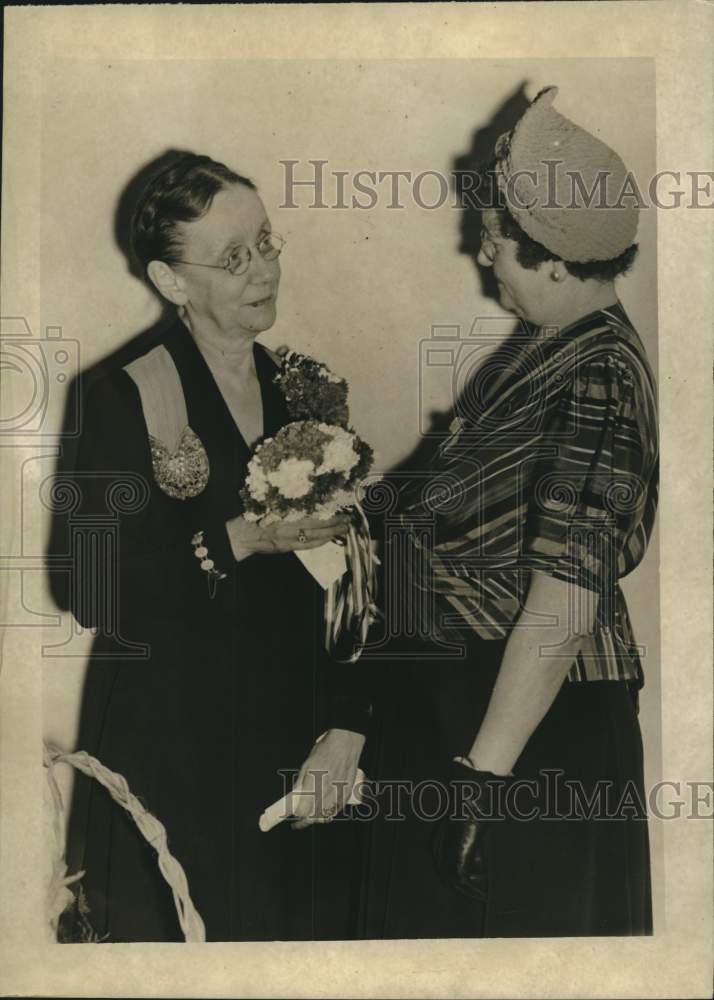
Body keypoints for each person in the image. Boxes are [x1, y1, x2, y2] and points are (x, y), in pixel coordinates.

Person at [361, 87, 658, 938]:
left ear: (559, 262)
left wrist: (481, 789)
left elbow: (564, 606)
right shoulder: (541, 347)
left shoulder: (598, 376)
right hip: (478, 711)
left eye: (496, 243)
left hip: (532, 736)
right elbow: (444, 502)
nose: (482, 253)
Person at [58, 152, 371, 942]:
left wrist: (348, 725)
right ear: (171, 282)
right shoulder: (120, 395)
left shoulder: (304, 390)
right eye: (232, 258)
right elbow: (87, 587)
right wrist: (233, 540)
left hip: (297, 746)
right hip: (172, 753)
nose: (262, 268)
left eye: (266, 242)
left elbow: (358, 575)